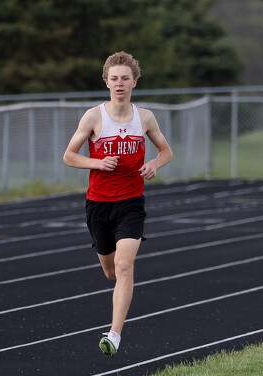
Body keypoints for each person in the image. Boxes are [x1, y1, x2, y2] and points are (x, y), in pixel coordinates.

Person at [63, 51, 173, 357]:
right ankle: (120, 288)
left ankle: (113, 335)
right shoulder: (93, 116)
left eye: (125, 78)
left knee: (125, 266)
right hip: (99, 205)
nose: (120, 83)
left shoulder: (145, 117)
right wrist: (97, 163)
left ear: (134, 82)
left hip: (131, 203)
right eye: (114, 78)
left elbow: (166, 151)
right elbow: (69, 156)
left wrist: (154, 164)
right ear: (106, 82)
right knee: (111, 272)